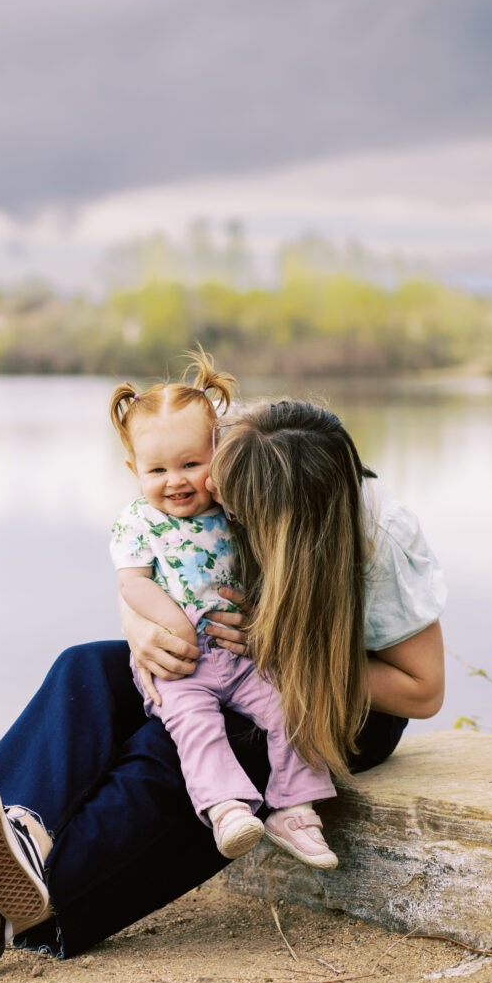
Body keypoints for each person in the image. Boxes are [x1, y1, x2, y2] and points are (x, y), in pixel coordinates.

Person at [0, 394, 446, 975]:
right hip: (226, 660)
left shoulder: (378, 531)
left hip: (337, 701)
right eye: (219, 486)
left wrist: (290, 651)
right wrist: (140, 626)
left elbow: (422, 691)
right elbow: (153, 564)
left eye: (238, 510)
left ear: (285, 516)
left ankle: (29, 906)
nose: (217, 507)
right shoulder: (245, 438)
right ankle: (13, 833)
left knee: (182, 743)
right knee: (85, 669)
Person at [108, 353, 337, 865]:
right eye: (158, 470)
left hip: (241, 654)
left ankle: (294, 809)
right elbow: (134, 585)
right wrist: (174, 626)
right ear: (133, 470)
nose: (177, 481)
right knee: (195, 724)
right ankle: (227, 808)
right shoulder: (138, 522)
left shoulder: (234, 507)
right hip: (178, 661)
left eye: (192, 463)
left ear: (219, 453)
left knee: (288, 708)